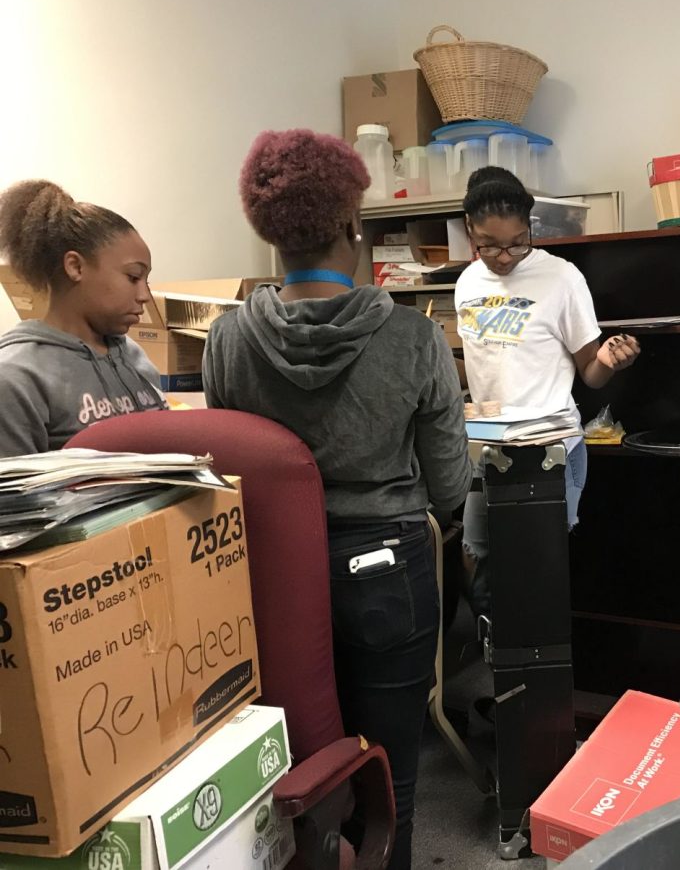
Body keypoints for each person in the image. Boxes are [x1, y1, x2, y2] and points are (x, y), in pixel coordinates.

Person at [202, 129, 472, 870]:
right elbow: (450, 486)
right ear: (353, 225)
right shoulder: (414, 339)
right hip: (386, 576)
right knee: (391, 776)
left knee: (291, 777)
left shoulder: (227, 342)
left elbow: (231, 468)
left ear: (269, 234)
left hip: (271, 581)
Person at [454, 167, 640, 616]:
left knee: (536, 575)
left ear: (530, 228)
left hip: (550, 449)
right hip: (487, 449)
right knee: (478, 562)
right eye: (489, 245)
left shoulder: (561, 279)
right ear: (469, 232)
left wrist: (611, 363)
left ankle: (537, 681)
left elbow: (590, 375)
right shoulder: (467, 283)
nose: (503, 256)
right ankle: (498, 671)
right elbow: (483, 366)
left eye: (518, 242)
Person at [0, 180, 165, 456]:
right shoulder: (17, 377)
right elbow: (15, 497)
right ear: (76, 266)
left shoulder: (135, 358)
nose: (145, 296)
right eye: (133, 277)